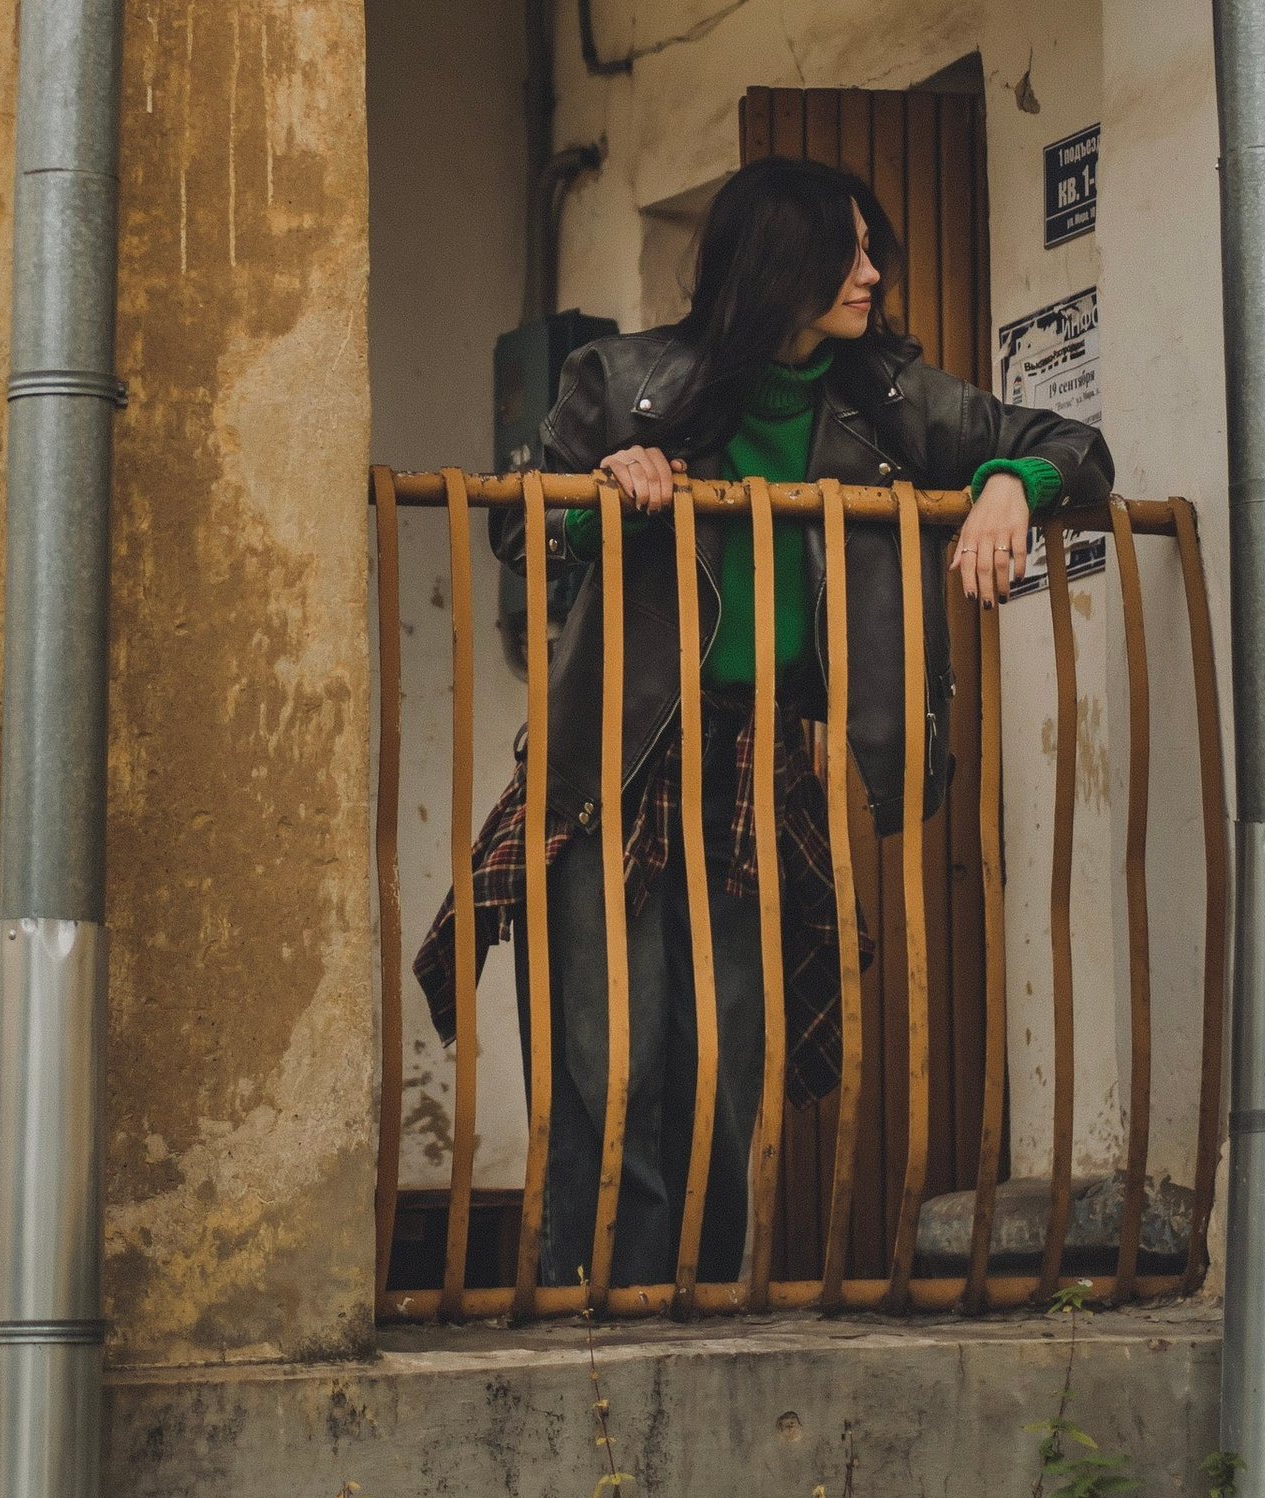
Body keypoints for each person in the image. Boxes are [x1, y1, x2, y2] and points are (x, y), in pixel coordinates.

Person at [417, 154, 1114, 1294]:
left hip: (758, 770)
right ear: (779, 263)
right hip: (612, 762)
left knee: (719, 1071)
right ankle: (587, 1311)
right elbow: (518, 533)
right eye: (849, 250)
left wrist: (1008, 483)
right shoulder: (621, 379)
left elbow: (1069, 442)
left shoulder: (888, 396)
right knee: (608, 1064)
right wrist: (605, 495)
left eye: (873, 249)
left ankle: (693, 1310)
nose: (872, 273)